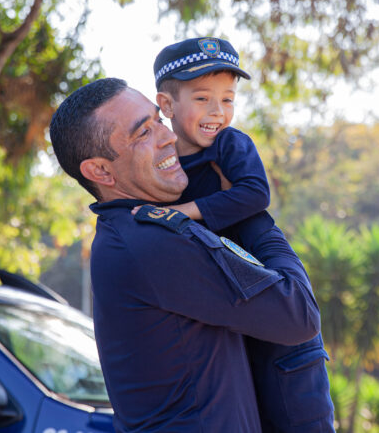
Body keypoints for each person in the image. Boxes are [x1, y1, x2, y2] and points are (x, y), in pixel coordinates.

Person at [49, 77, 322, 432]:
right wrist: (249, 209)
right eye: (143, 133)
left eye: (158, 121)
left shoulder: (128, 235)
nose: (169, 136)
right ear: (100, 171)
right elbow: (298, 314)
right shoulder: (151, 243)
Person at [152, 37, 335, 432]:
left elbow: (255, 192)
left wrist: (183, 213)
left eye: (228, 100)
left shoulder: (230, 144)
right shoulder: (159, 159)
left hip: (268, 285)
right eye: (202, 98)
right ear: (167, 104)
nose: (217, 112)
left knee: (299, 409)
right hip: (232, 316)